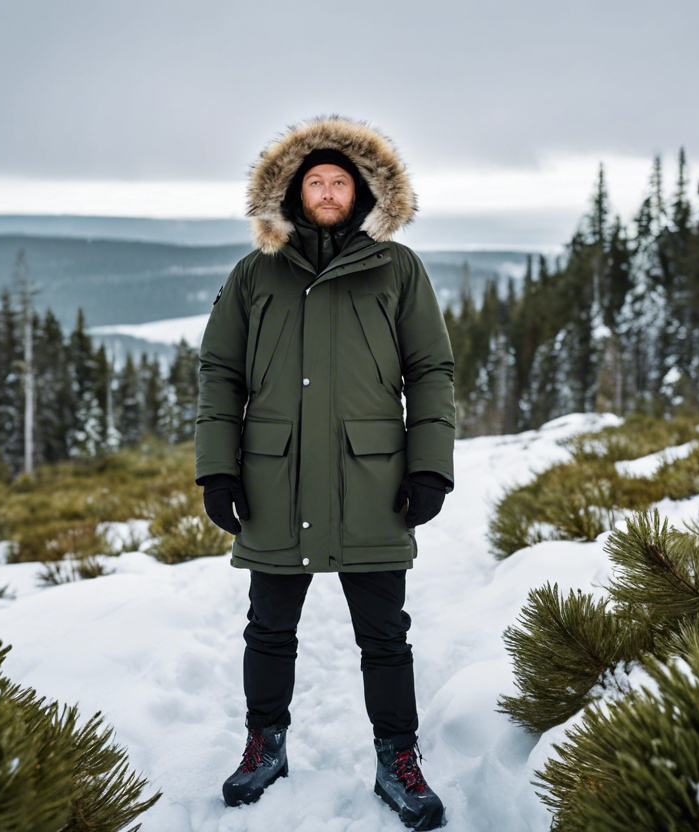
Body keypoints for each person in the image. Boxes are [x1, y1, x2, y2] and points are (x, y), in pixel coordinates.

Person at [195, 115, 455, 831]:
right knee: (269, 628)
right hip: (274, 481)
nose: (330, 192)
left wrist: (430, 467)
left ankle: (397, 758)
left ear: (365, 192)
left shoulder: (399, 270)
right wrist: (218, 471)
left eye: (342, 181)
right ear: (293, 192)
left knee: (385, 636)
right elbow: (221, 374)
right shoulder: (255, 275)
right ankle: (264, 745)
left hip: (372, 481)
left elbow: (430, 370)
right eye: (317, 181)